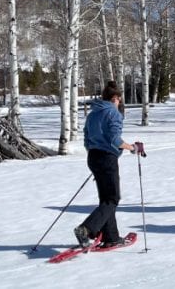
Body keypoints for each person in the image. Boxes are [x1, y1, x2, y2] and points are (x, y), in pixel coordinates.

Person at [74, 81, 138, 249]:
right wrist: (133, 148)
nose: (120, 103)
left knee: (106, 199)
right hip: (106, 158)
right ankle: (86, 229)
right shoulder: (113, 114)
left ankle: (111, 237)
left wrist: (95, 153)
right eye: (120, 100)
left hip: (93, 157)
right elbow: (114, 140)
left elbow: (86, 139)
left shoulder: (93, 113)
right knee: (112, 199)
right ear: (115, 98)